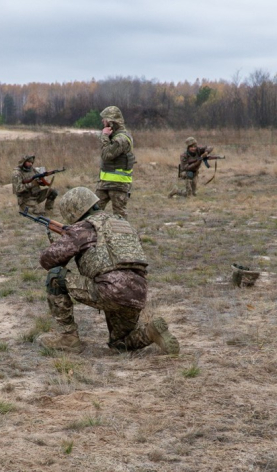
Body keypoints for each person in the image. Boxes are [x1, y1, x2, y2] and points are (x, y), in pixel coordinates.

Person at [38, 186, 178, 355]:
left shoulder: (83, 228)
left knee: (55, 276)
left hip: (108, 291)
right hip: (137, 293)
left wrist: (65, 238)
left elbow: (48, 260)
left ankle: (69, 338)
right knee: (120, 343)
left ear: (72, 211)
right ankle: (151, 332)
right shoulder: (122, 223)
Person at [95, 106, 135, 217]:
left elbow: (106, 155)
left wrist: (104, 136)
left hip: (119, 185)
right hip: (104, 184)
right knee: (93, 214)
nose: (102, 121)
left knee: (119, 218)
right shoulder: (113, 136)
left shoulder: (122, 139)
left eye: (105, 119)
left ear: (111, 122)